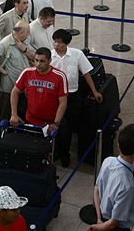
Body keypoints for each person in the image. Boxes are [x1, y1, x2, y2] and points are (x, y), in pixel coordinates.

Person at [51, 29, 103, 167]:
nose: (56, 45)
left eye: (60, 43)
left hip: (72, 96)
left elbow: (86, 74)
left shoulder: (77, 54)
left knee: (68, 126)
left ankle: (65, 153)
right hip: (55, 97)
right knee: (57, 125)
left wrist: (95, 91)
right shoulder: (50, 56)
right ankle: (57, 151)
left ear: (67, 43)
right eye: (55, 42)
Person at [89, 126, 134, 231]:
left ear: (119, 145)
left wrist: (99, 219)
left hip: (103, 220)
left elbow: (96, 189)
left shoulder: (108, 161)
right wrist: (100, 228)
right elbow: (114, 223)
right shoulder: (127, 186)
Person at [10, 47, 68, 131]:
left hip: (51, 123)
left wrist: (56, 123)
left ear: (50, 61)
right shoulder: (27, 73)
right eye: (36, 60)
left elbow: (63, 102)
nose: (38, 64)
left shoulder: (60, 76)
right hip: (30, 120)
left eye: (42, 61)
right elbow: (15, 92)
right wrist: (14, 114)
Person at [0, 22, 33, 121]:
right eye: (27, 32)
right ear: (20, 33)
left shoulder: (25, 40)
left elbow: (32, 56)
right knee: (6, 113)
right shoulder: (6, 43)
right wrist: (2, 71)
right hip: (8, 87)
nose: (29, 34)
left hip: (22, 85)